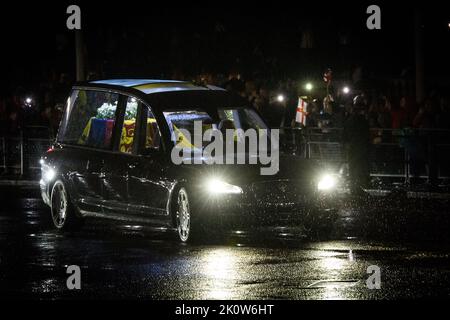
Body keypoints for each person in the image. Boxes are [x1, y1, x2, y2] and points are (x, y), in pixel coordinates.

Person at [343, 95, 370, 195]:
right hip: (360, 147)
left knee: (353, 168)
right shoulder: (362, 121)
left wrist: (346, 144)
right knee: (359, 167)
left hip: (352, 148)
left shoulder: (349, 120)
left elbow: (344, 135)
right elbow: (366, 135)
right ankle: (357, 188)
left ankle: (353, 188)